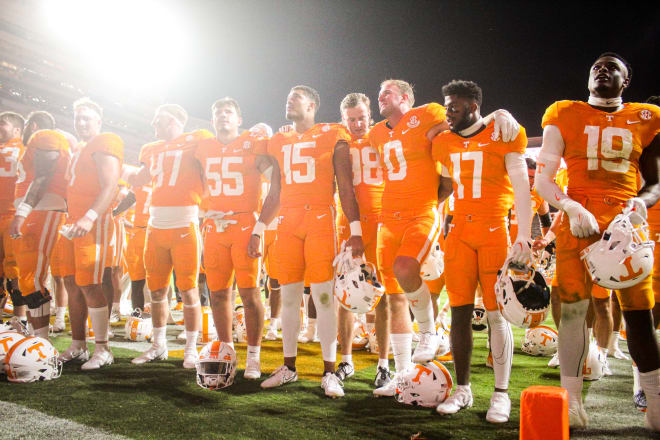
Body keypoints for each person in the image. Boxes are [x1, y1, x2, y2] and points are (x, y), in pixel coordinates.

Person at [367, 79, 519, 397]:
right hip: (388, 218)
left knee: (408, 270)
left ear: (407, 97)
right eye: (380, 92)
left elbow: (464, 124)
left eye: (389, 91)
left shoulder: (429, 113)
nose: (381, 96)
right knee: (394, 298)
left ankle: (429, 331)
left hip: (423, 213)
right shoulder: (376, 133)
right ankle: (403, 374)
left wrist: (498, 113)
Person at [534, 53, 660, 429]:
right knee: (573, 313)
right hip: (580, 220)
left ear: (626, 81)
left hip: (625, 223)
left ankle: (654, 402)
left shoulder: (646, 118)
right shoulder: (564, 113)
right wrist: (571, 207)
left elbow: (654, 182)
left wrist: (642, 201)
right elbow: (544, 179)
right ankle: (571, 403)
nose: (601, 70)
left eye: (612, 68)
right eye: (596, 67)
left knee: (639, 317)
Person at [248, 85, 364, 398]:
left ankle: (329, 372)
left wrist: (356, 229)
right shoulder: (280, 138)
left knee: (323, 297)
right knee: (288, 296)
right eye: (287, 96)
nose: (288, 100)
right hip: (287, 219)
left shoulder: (333, 132)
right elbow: (275, 190)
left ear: (312, 105)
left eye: (295, 97)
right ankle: (288, 367)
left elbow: (346, 186)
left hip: (321, 219)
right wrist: (259, 227)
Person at [432, 80, 531, 423]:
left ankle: (501, 394)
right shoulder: (444, 141)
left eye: (454, 106)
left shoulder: (504, 134)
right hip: (458, 230)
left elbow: (522, 189)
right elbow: (443, 187)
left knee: (495, 313)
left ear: (472, 106)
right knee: (459, 311)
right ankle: (463, 388)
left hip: (493, 230)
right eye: (446, 106)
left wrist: (524, 236)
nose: (448, 112)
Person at [128, 104, 213, 369]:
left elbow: (214, 163)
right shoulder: (152, 148)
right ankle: (158, 345)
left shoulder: (197, 139)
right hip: (155, 225)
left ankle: (190, 348)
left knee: (188, 290)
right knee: (156, 291)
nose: (154, 126)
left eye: (158, 121)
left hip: (184, 224)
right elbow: (138, 179)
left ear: (174, 120)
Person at [194, 97, 271, 380]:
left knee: (250, 292)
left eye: (229, 112)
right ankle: (225, 350)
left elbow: (278, 180)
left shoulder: (253, 142)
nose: (223, 116)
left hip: (244, 222)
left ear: (239, 119)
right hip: (215, 226)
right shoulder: (202, 146)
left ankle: (253, 356)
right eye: (218, 112)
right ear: (212, 120)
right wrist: (203, 212)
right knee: (217, 293)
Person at [333, 93, 391, 387]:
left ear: (371, 115)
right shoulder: (337, 139)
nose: (357, 124)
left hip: (383, 220)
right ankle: (345, 361)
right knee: (345, 293)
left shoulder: (385, 134)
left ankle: (384, 363)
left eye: (361, 117)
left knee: (384, 294)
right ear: (344, 119)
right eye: (351, 119)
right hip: (349, 222)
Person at [9, 111, 70, 340]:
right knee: (27, 277)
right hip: (37, 211)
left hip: (43, 210)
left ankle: (42, 341)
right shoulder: (38, 143)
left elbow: (43, 177)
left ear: (31, 125)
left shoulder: (45, 137)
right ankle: (36, 335)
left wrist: (22, 212)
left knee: (34, 278)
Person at [0, 111, 25, 324]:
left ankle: (20, 319)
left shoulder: (24, 149)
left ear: (17, 129)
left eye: (3, 124)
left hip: (12, 216)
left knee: (15, 271)